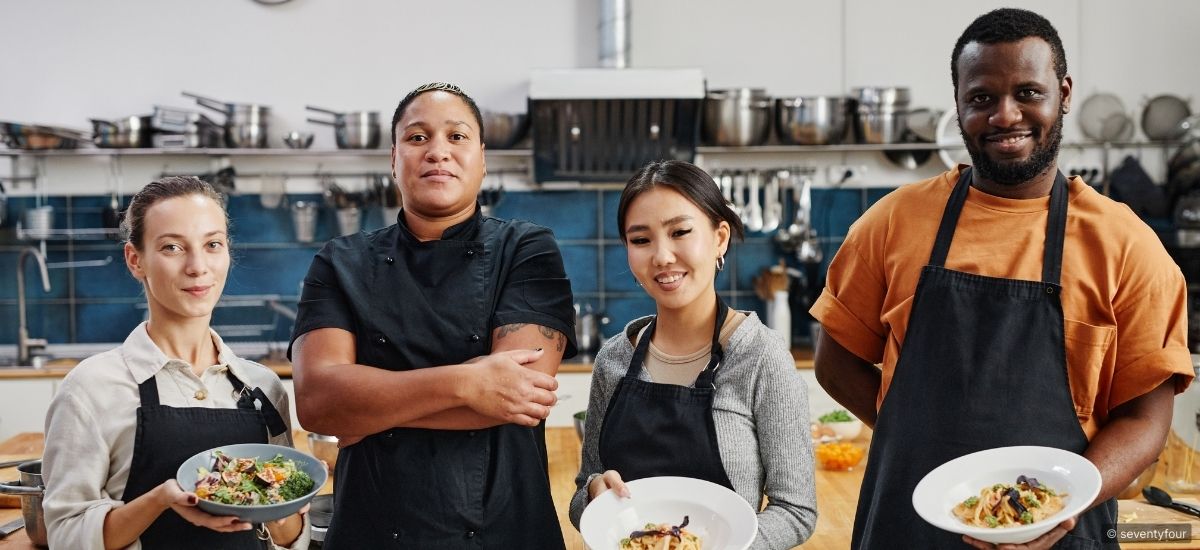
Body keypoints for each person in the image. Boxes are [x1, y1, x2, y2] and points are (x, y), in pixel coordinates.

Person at [811, 8, 1194, 549]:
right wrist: (914, 440)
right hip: (908, 523)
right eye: (982, 98)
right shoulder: (892, 223)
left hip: (1062, 530)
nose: (1005, 115)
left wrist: (1061, 504)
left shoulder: (1127, 246)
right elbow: (835, 361)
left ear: (1063, 93)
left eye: (1028, 93)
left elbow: (1145, 419)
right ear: (958, 103)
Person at [289, 82, 577, 549]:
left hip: (503, 529)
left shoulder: (527, 249)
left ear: (482, 159)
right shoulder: (340, 261)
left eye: (457, 136)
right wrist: (467, 382)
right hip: (373, 531)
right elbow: (318, 402)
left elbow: (518, 394)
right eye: (417, 137)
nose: (437, 151)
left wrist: (367, 411)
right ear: (394, 159)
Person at [41, 176, 309, 550]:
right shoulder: (89, 389)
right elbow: (67, 535)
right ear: (136, 260)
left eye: (212, 244)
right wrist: (160, 500)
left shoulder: (263, 387)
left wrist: (283, 509)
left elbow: (289, 537)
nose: (198, 267)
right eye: (172, 247)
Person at [569, 160, 818, 548]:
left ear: (720, 238)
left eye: (680, 232)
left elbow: (796, 511)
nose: (662, 256)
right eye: (641, 240)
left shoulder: (761, 357)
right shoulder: (613, 360)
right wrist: (593, 494)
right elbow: (584, 492)